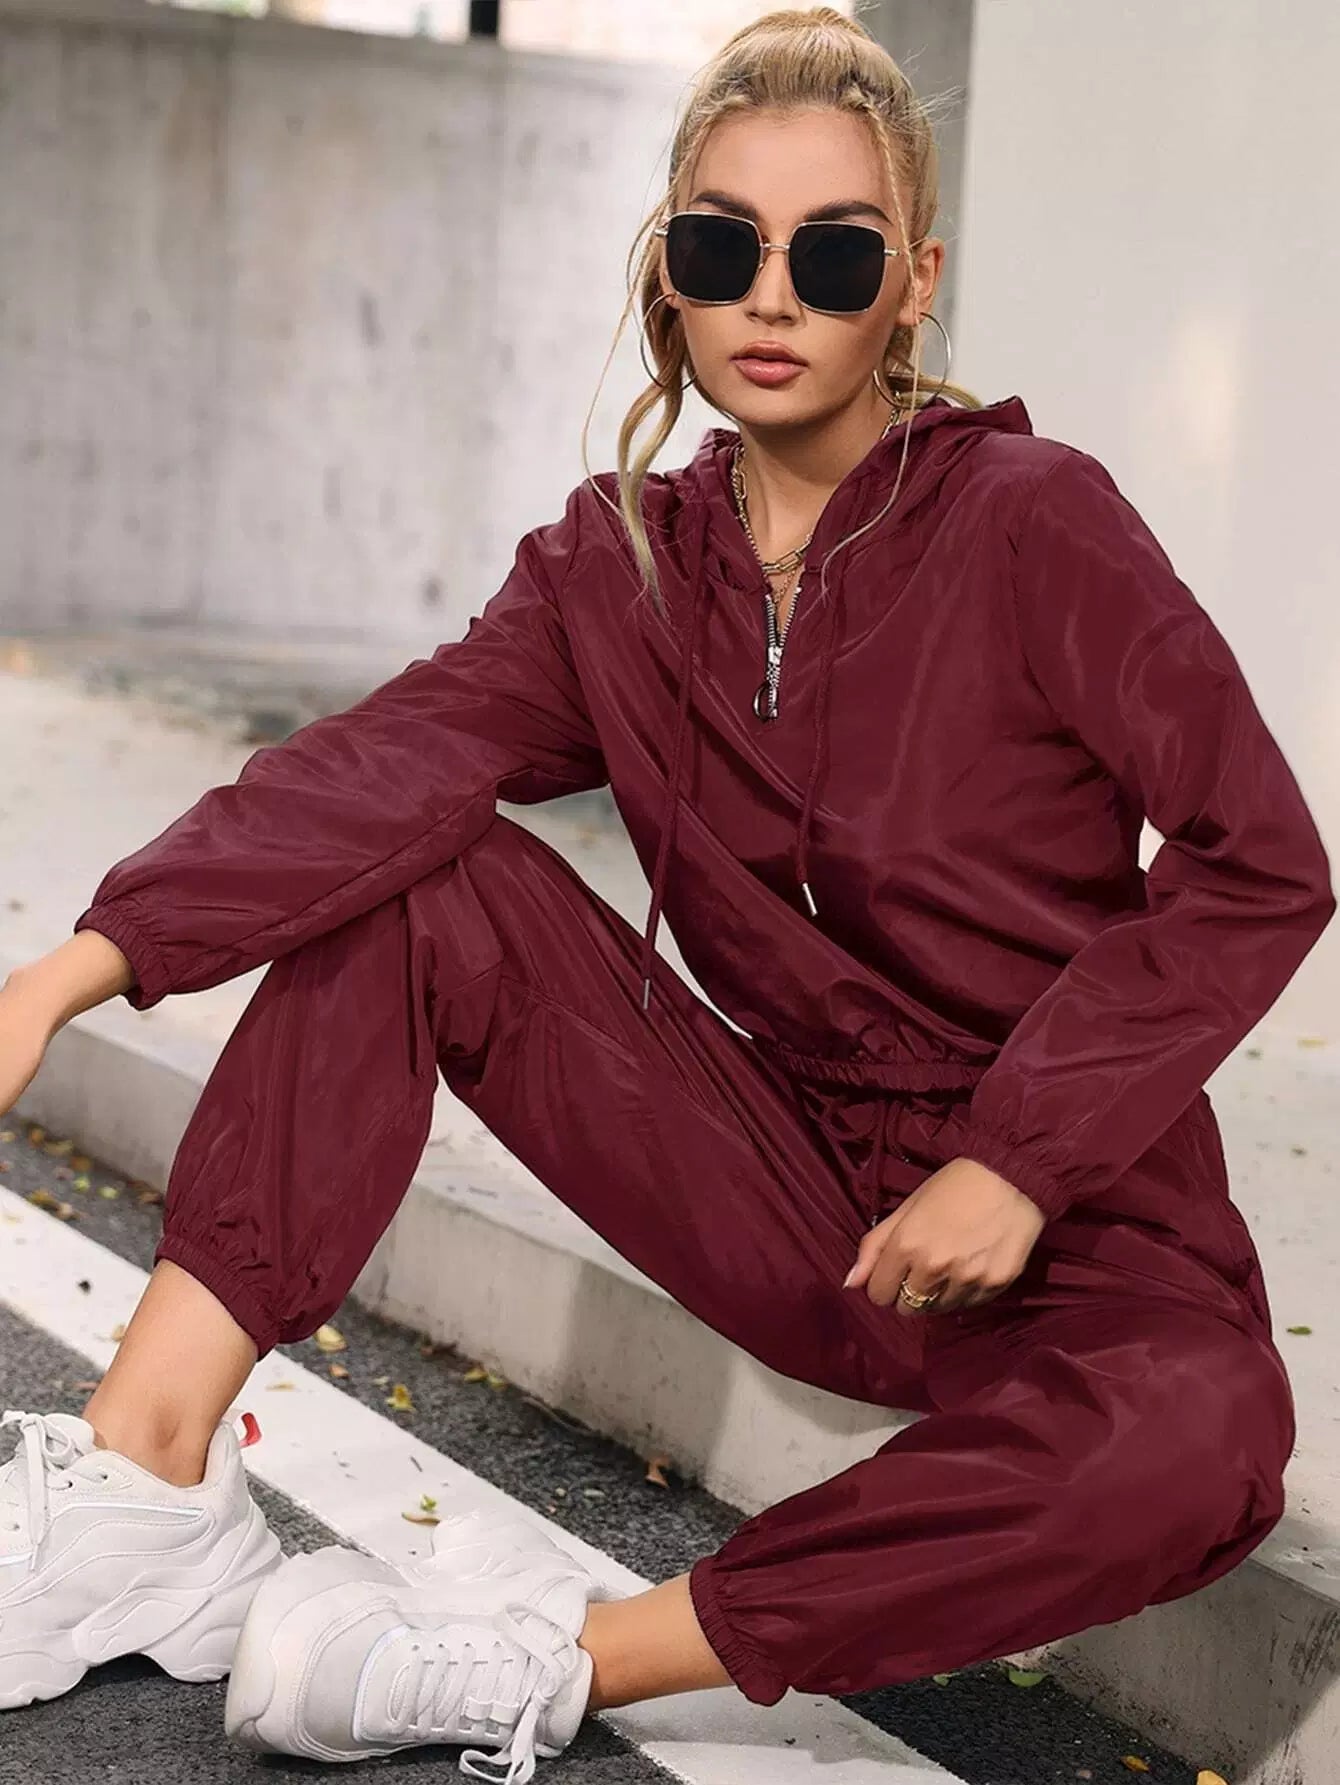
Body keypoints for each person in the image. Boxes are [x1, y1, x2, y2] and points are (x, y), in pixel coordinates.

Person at [1, 6, 1333, 1780]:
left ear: (912, 284)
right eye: (723, 247)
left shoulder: (1035, 521)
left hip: (1077, 1230)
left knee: (1207, 1441)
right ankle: (149, 1477)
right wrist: (72, 969)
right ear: (673, 274)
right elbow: (383, 765)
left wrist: (1022, 1157)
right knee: (420, 873)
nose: (772, 298)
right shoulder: (618, 568)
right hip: (799, 1197)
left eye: (832, 255)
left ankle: (552, 1657)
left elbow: (1260, 859)